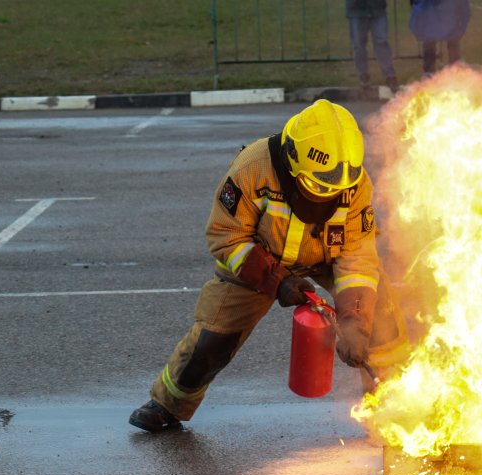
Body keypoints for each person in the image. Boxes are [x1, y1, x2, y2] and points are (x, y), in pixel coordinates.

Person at [129, 99, 410, 432]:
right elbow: (226, 237)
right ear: (293, 160)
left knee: (381, 322)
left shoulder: (352, 181)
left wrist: (355, 323)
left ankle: (393, 404)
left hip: (326, 255)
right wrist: (277, 281)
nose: (329, 197)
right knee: (213, 341)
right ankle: (169, 403)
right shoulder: (253, 168)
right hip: (258, 258)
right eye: (319, 188)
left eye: (337, 190)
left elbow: (357, 257)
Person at [346, 0, 399, 93]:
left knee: (381, 42)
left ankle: (389, 76)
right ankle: (363, 76)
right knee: (359, 45)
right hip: (357, 10)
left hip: (377, 8)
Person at [409, 0, 471, 78]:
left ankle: (454, 71)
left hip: (445, 16)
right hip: (440, 15)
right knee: (432, 41)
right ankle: (431, 72)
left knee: (450, 41)